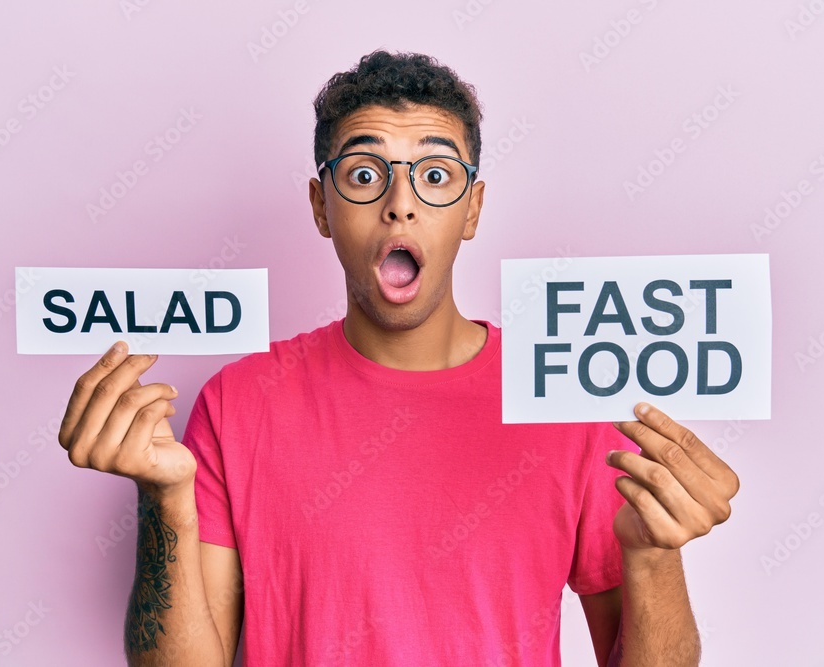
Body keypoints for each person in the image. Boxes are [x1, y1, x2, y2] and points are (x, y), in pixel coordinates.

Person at [58, 50, 739, 666]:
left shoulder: (563, 396)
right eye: (363, 173)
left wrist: (653, 556)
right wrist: (163, 500)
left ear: (472, 209)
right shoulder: (238, 404)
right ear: (321, 205)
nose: (400, 205)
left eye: (436, 175)